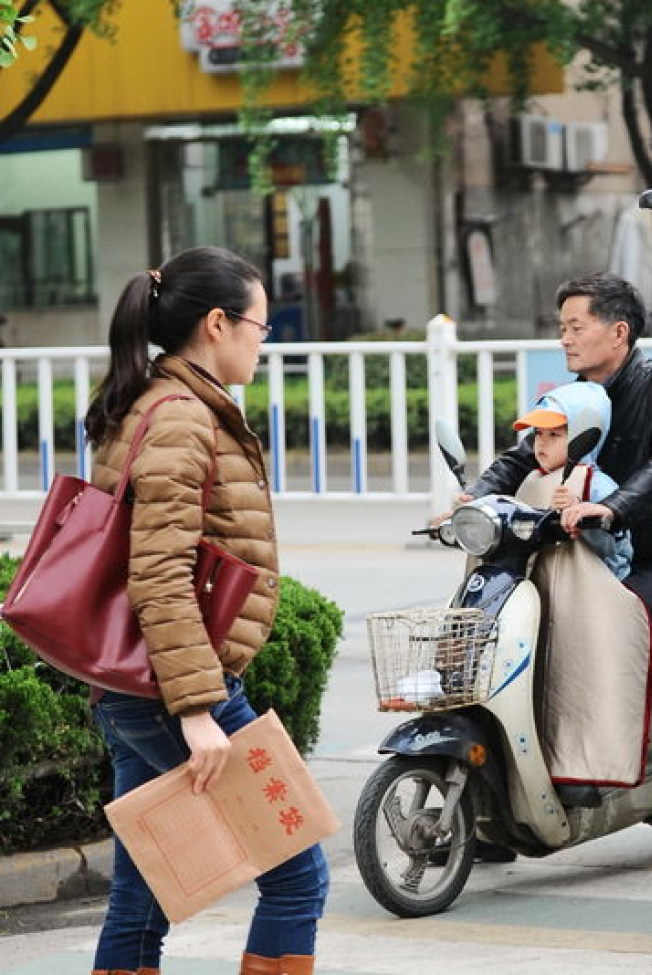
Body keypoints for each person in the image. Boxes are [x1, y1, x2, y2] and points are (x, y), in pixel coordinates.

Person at [83, 248, 328, 975]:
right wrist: (195, 708)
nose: (265, 338)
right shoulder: (183, 416)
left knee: (142, 888)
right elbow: (158, 570)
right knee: (297, 870)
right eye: (260, 323)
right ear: (217, 323)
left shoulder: (156, 399)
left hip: (136, 682)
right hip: (174, 688)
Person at [455, 272, 652, 633]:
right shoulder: (573, 400)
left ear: (619, 332)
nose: (564, 340)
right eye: (562, 329)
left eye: (576, 328)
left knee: (606, 625)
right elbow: (525, 455)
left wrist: (612, 507)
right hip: (580, 557)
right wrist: (473, 498)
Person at [511, 380, 634, 580]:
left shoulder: (597, 485)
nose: (542, 442)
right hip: (548, 583)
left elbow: (612, 550)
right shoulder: (535, 478)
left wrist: (581, 516)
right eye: (538, 433)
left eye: (554, 434)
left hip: (594, 590)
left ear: (583, 439)